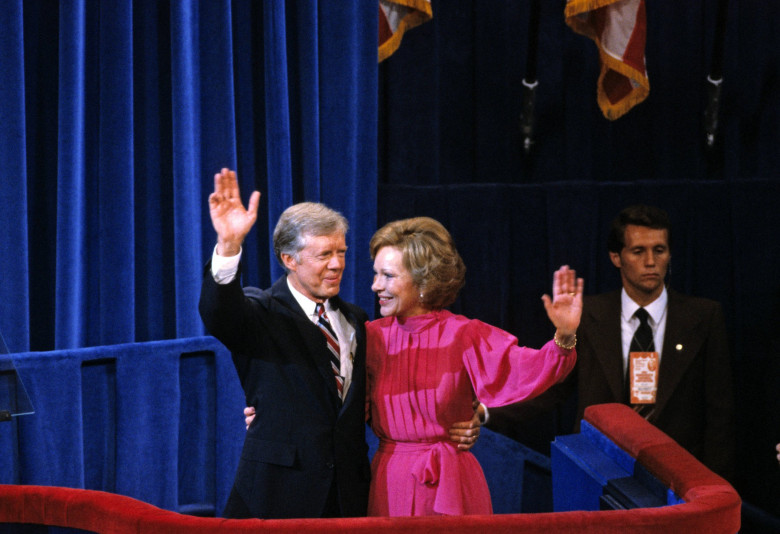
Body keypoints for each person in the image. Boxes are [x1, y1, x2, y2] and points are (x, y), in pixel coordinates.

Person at [199, 168, 479, 519]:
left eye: (342, 252)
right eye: (324, 255)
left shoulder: (360, 321)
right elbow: (218, 313)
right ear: (290, 260)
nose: (337, 265)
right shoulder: (261, 313)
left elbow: (403, 388)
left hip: (350, 496)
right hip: (280, 495)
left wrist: (473, 416)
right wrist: (228, 246)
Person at [486, 205, 736, 481]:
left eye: (660, 250)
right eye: (638, 251)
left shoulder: (703, 316)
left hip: (679, 477)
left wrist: (714, 488)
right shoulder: (587, 315)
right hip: (599, 472)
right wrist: (485, 412)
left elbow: (719, 413)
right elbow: (551, 389)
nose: (651, 261)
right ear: (616, 257)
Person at [365, 216, 582, 516]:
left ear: (424, 280)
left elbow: (530, 369)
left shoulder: (464, 334)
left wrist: (565, 335)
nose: (376, 285)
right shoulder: (370, 338)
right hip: (389, 484)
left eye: (388, 276)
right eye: (375, 274)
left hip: (451, 484)